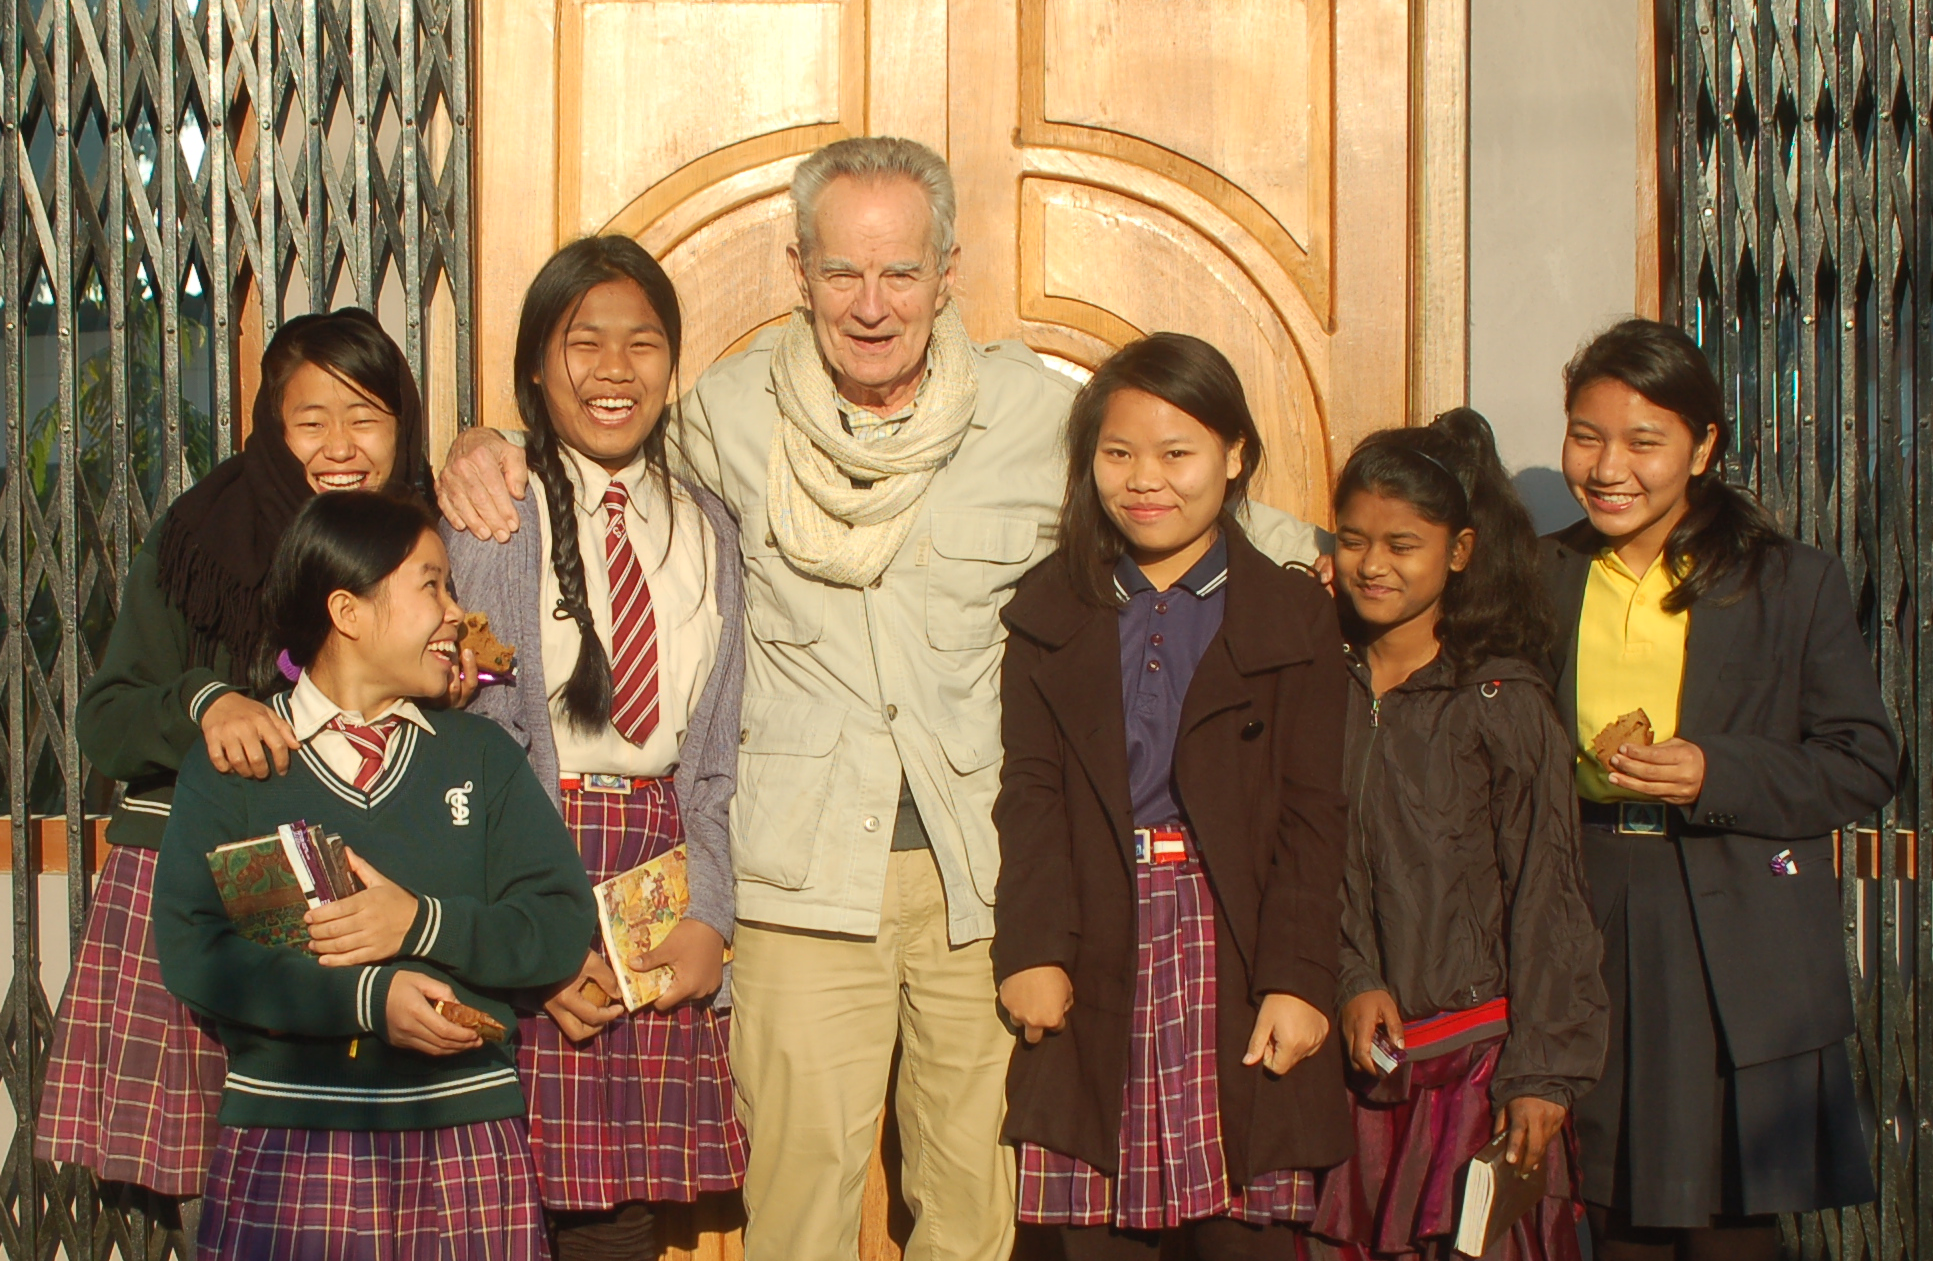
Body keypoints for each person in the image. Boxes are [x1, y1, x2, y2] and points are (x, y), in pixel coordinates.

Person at [436, 137, 1323, 1261]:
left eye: (900, 272)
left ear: (947, 271)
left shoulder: (1028, 413)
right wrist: (485, 445)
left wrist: (1330, 557)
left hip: (980, 878)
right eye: (842, 274)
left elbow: (1163, 491)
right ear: (798, 270)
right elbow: (605, 448)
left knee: (971, 1205)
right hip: (800, 882)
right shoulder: (728, 413)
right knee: (799, 1203)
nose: (871, 304)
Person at [37, 309, 456, 1214]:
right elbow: (105, 719)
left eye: (367, 416)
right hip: (211, 882)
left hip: (369, 891)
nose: (341, 445)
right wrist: (205, 702)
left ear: (403, 424)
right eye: (311, 420)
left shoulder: (428, 542)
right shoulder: (202, 540)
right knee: (232, 1199)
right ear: (271, 424)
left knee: (363, 1198)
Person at [152, 489, 597, 1258]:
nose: (456, 612)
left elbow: (559, 923)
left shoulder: (479, 759)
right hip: (292, 1147)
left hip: (465, 1139)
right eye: (431, 585)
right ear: (347, 611)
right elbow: (198, 951)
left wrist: (420, 922)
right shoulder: (241, 763)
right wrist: (367, 998)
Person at [1541, 319, 1895, 1260]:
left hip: (1732, 920)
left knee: (1728, 1221)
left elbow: (1863, 757)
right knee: (1609, 1206)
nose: (1608, 466)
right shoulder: (1539, 575)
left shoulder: (1788, 584)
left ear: (1701, 447)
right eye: (1585, 435)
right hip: (1587, 905)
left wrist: (1715, 770)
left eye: (1643, 441)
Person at [993, 334, 1349, 1259]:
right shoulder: (1050, 610)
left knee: (1244, 1230)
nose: (1144, 480)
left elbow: (1316, 815)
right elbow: (1028, 794)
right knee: (1090, 1231)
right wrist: (1031, 950)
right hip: (1098, 939)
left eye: (1176, 453)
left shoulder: (1292, 614)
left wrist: (1299, 979)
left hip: (1235, 949)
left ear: (1234, 457)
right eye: (1117, 454)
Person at [445, 235, 747, 1258]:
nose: (616, 370)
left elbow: (709, 763)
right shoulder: (492, 513)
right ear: (536, 360)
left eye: (644, 343)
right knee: (499, 1198)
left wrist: (710, 908)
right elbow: (467, 748)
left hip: (651, 881)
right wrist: (530, 937)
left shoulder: (707, 525)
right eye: (584, 342)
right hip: (529, 856)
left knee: (617, 1217)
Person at [1312, 409, 1606, 1261]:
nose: (1372, 564)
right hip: (1352, 1068)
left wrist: (1541, 1076)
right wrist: (1352, 976)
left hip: (1475, 1068)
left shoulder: (1499, 702)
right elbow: (1303, 858)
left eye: (1402, 543)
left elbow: (1550, 894)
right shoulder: (1313, 680)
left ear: (1460, 550)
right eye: (1353, 539)